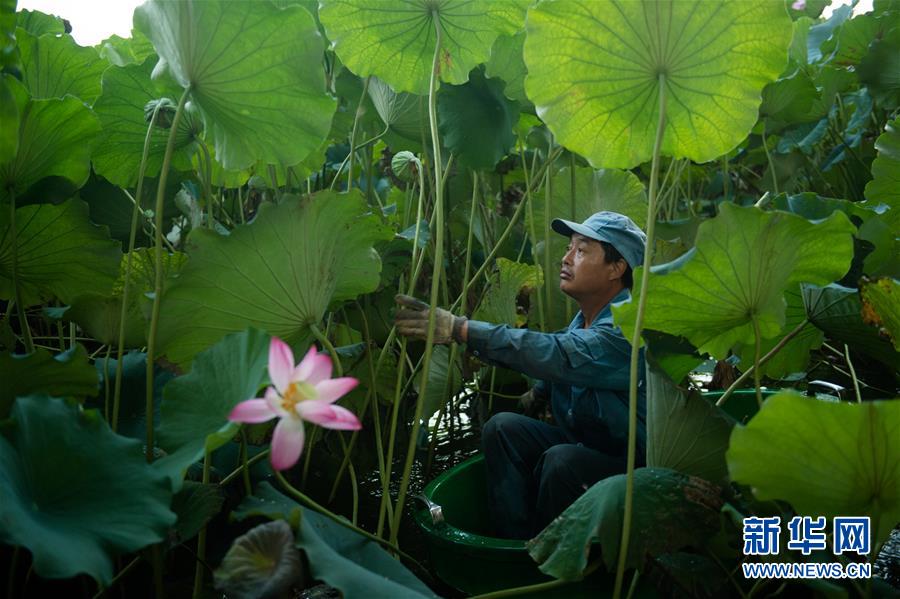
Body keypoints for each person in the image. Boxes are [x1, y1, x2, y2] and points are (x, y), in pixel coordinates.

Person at [394, 211, 647, 539]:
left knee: (561, 460)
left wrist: (461, 329)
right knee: (502, 427)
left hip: (631, 465)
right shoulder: (585, 319)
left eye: (581, 251)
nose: (566, 258)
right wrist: (539, 392)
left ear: (617, 268)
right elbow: (567, 359)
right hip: (588, 445)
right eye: (569, 248)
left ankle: (551, 560)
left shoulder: (626, 327)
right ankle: (514, 542)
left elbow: (559, 354)